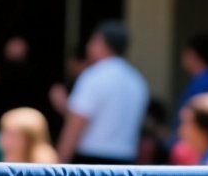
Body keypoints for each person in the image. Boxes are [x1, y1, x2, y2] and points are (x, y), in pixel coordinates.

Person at [57, 20, 149, 165]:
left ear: (101, 42)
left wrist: (59, 165)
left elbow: (76, 124)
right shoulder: (137, 81)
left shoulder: (92, 76)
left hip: (91, 161)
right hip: (127, 161)